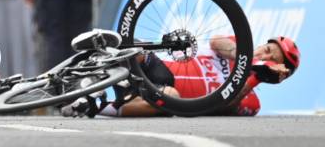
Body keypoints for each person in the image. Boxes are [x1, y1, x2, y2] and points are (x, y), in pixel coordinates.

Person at [64, 35, 300, 117]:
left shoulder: (253, 101)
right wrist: (249, 59)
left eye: (272, 60)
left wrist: (256, 76)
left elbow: (225, 105)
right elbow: (217, 43)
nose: (265, 55)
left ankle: (93, 106)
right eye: (267, 50)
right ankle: (92, 59)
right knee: (139, 50)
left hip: (166, 91)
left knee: (170, 98)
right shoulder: (241, 43)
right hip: (160, 68)